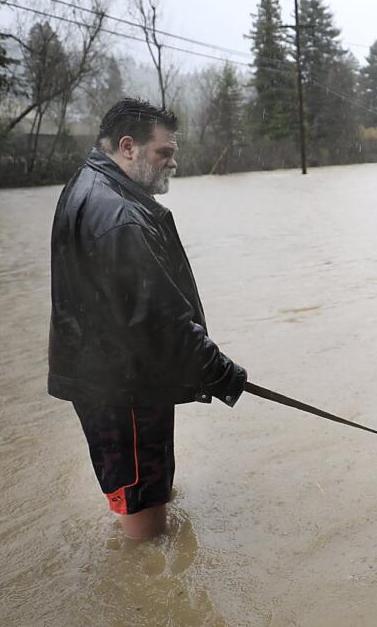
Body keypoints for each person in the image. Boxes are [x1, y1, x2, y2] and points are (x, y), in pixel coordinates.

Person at [48, 97, 246, 539]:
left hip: (110, 377)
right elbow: (160, 324)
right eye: (165, 153)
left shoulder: (88, 184)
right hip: (124, 389)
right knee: (146, 525)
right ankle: (144, 603)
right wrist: (223, 375)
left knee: (146, 491)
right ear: (128, 147)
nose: (172, 164)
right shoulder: (120, 215)